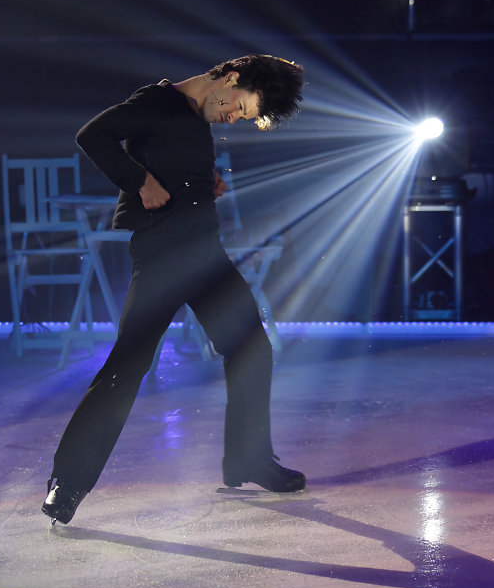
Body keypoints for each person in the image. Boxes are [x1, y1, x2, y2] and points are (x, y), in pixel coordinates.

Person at [42, 53, 306, 525]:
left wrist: (207, 183)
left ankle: (249, 458)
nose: (232, 118)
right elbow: (93, 136)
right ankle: (68, 482)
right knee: (127, 367)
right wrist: (138, 181)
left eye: (241, 117)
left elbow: (174, 160)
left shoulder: (193, 116)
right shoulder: (157, 102)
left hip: (205, 253)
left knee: (251, 348)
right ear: (231, 77)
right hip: (163, 254)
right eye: (238, 107)